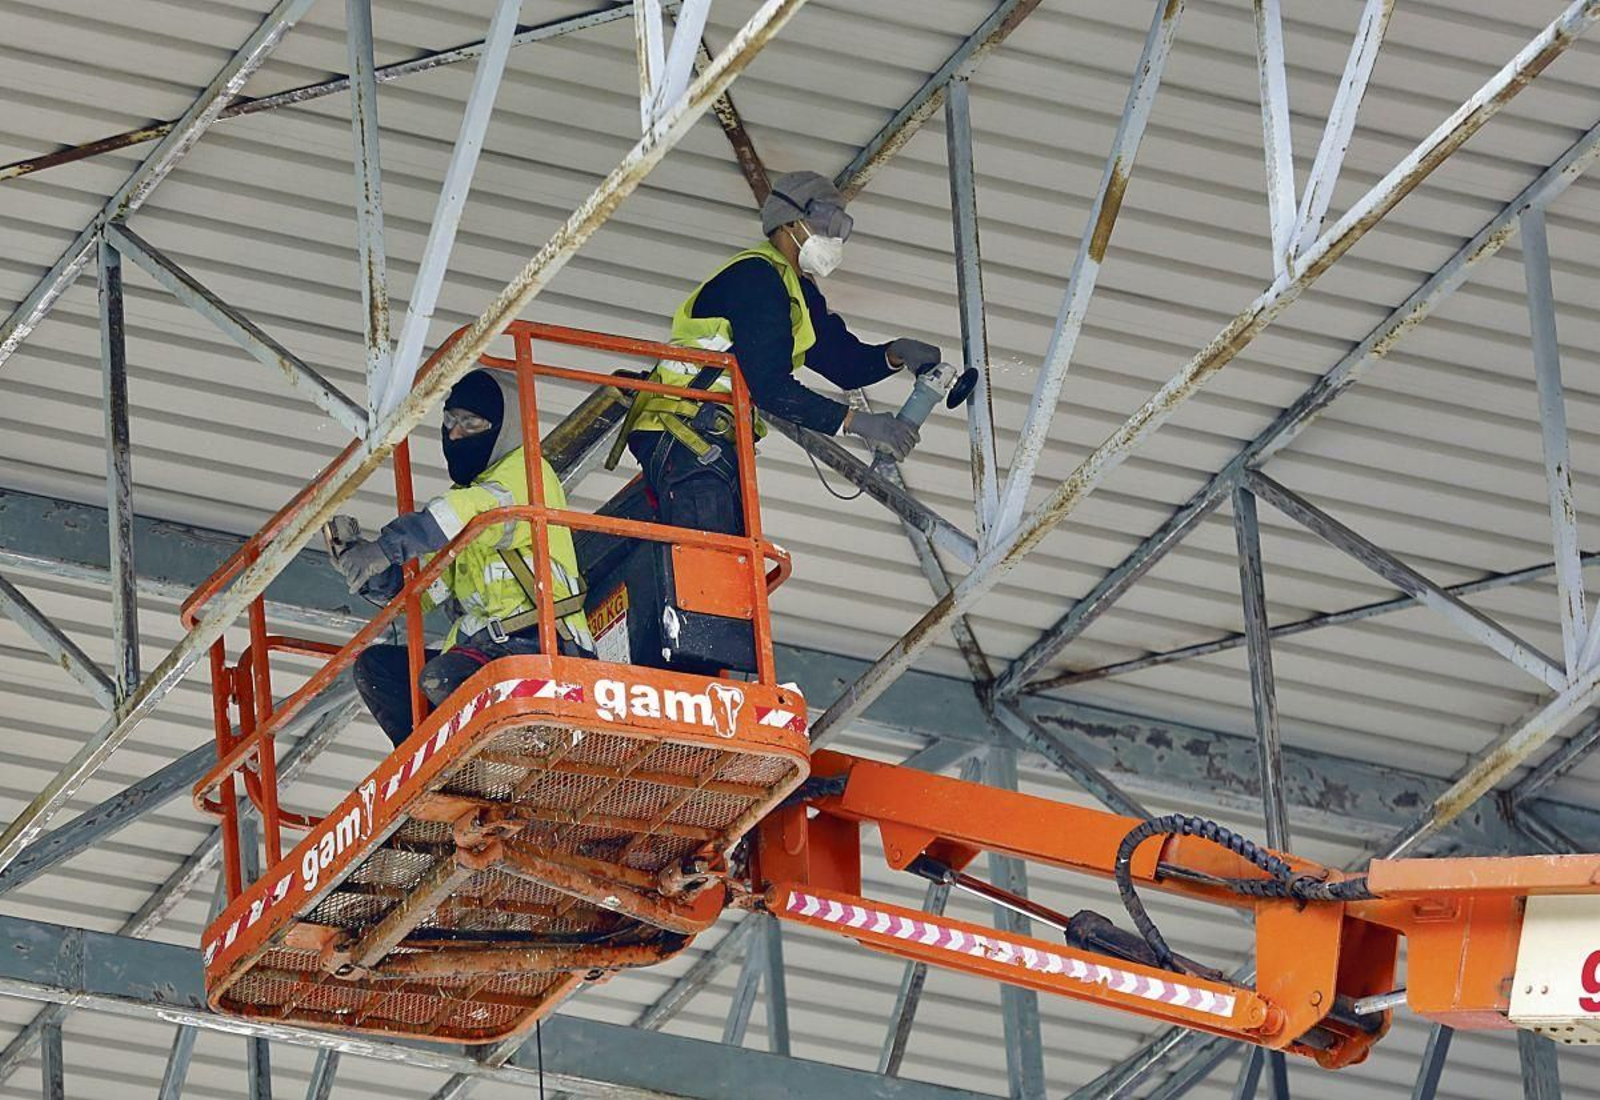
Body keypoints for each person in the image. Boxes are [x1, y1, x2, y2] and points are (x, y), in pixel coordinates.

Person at [616, 170, 943, 535]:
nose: (834, 237)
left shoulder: (796, 291)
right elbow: (770, 387)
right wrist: (858, 422)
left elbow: (845, 365)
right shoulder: (755, 277)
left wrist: (895, 354)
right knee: (711, 558)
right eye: (828, 222)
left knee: (726, 555)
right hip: (684, 429)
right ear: (791, 222)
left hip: (706, 437)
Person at [328, 368, 595, 747]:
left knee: (444, 676)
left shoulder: (525, 473)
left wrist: (387, 547)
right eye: (449, 421)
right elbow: (426, 585)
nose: (454, 434)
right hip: (482, 652)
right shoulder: (467, 505)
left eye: (471, 424)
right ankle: (427, 765)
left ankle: (495, 753)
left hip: (539, 647)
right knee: (377, 669)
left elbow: (468, 512)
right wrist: (378, 575)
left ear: (505, 429)